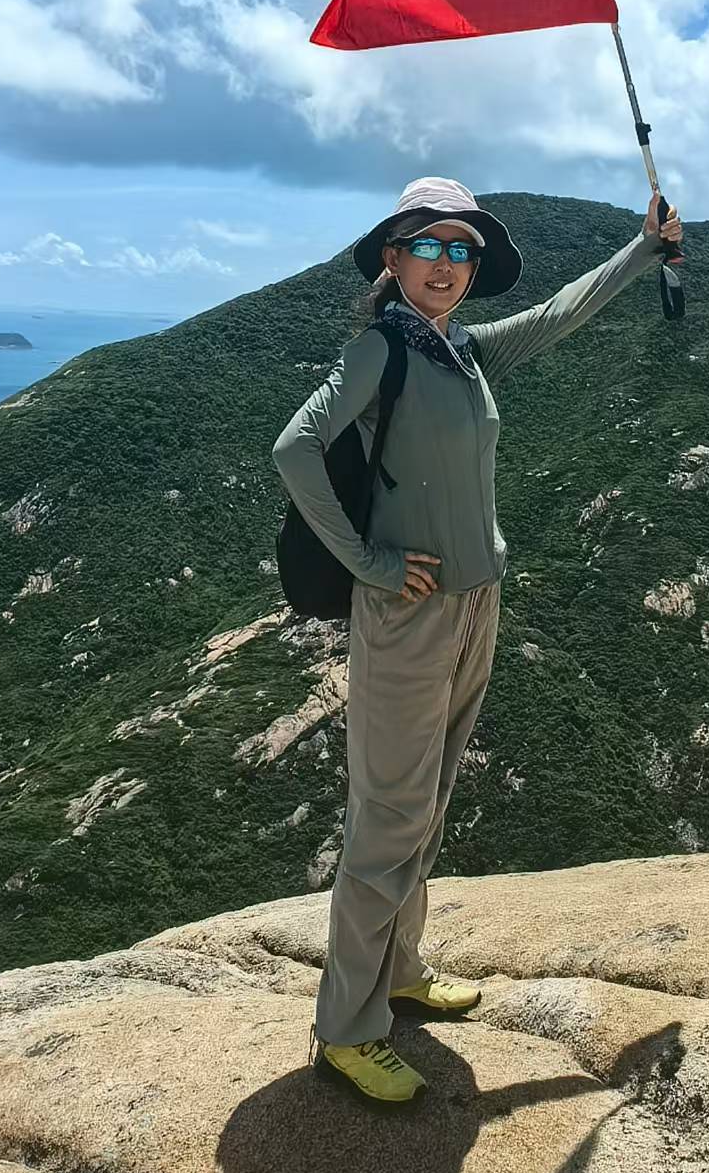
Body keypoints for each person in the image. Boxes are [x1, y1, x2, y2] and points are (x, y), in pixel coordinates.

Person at [272, 174, 684, 1106]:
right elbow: (294, 447)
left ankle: (401, 970)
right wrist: (369, 562)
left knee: (429, 800)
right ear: (393, 257)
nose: (446, 262)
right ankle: (347, 1028)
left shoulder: (464, 350)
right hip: (408, 612)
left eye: (462, 249)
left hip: (472, 601)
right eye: (428, 244)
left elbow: (560, 313)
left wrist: (643, 249)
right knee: (387, 817)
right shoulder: (382, 349)